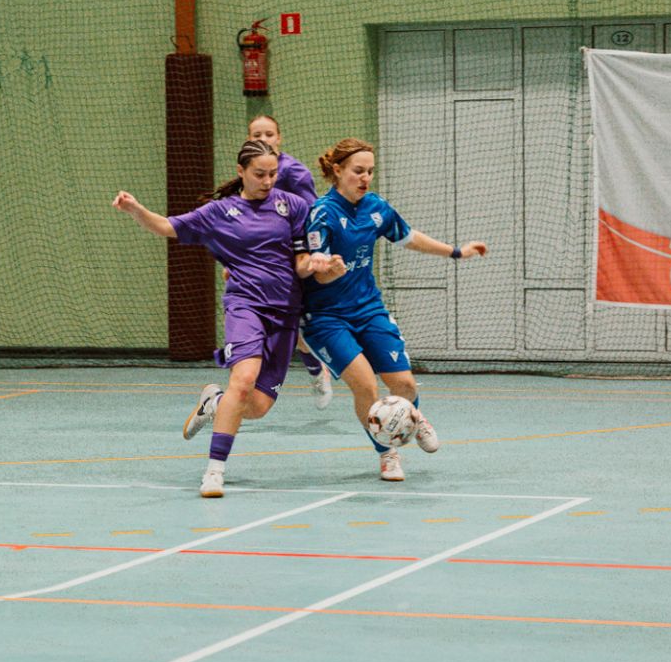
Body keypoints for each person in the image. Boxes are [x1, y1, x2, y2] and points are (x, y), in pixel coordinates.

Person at [114, 139, 327, 498]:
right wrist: (136, 209)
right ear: (241, 172)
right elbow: (166, 226)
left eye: (273, 174)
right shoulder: (219, 213)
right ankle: (214, 472)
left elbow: (302, 258)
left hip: (285, 313)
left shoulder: (291, 206)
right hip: (245, 306)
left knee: (256, 407)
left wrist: (317, 264)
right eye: (259, 174)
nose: (267, 181)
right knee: (243, 380)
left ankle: (214, 402)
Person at [301, 138, 486, 481]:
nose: (365, 177)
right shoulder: (322, 213)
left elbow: (409, 237)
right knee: (365, 386)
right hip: (326, 316)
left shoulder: (376, 207)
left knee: (405, 384)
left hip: (368, 308)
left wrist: (456, 252)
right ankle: (387, 453)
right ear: (337, 171)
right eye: (358, 171)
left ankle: (414, 417)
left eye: (370, 171)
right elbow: (318, 270)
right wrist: (328, 270)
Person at [245, 113, 334, 407]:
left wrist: (309, 256)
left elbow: (313, 215)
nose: (263, 139)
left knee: (295, 327)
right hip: (261, 259)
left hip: (292, 257)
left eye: (269, 134)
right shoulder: (248, 173)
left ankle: (318, 371)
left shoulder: (295, 173)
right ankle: (246, 388)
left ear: (279, 138)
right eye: (257, 135)